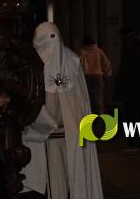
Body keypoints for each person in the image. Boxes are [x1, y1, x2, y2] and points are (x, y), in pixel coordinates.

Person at [20, 22, 104, 199]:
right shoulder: (31, 63)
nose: (52, 45)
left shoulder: (72, 62)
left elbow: (78, 101)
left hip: (70, 137)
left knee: (72, 182)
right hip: (41, 140)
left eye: (54, 38)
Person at [114, 27, 140, 151]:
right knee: (135, 116)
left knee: (135, 116)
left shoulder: (133, 53)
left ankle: (137, 141)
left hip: (135, 90)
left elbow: (127, 73)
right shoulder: (133, 52)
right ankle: (137, 141)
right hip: (134, 90)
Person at [78, 34, 113, 113]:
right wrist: (108, 74)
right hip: (98, 76)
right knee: (98, 98)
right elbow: (106, 63)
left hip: (86, 77)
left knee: (87, 98)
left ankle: (89, 117)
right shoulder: (99, 51)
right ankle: (100, 116)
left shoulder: (82, 52)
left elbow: (80, 66)